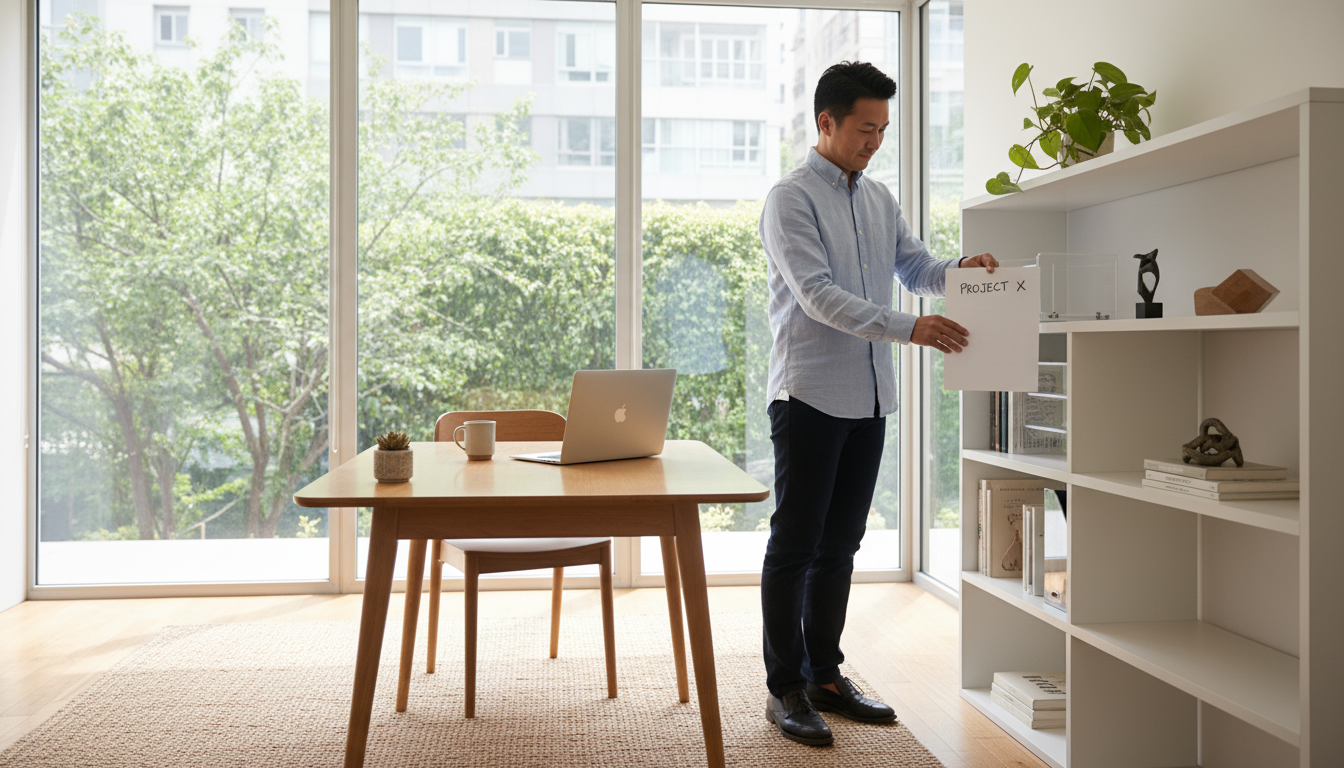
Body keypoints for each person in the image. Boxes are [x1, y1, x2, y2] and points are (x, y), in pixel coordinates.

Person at [758, 61, 998, 746]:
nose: (875, 141)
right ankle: (784, 688)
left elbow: (915, 267)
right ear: (826, 122)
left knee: (841, 546)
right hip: (809, 394)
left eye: (883, 130)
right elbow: (818, 295)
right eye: (866, 128)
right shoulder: (791, 198)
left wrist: (960, 272)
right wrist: (911, 328)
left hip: (869, 400)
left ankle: (825, 676)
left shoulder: (878, 199)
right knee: (795, 545)